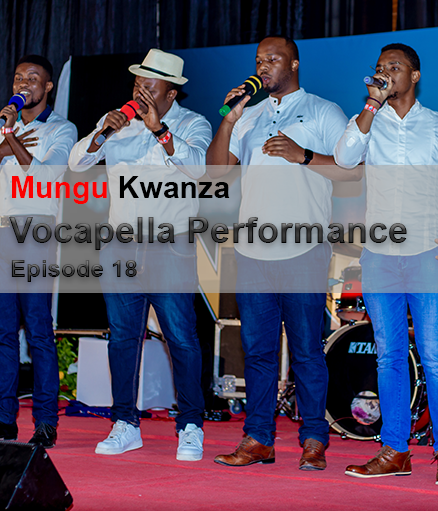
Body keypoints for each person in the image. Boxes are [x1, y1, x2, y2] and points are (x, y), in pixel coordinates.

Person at [334, 43, 438, 485]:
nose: (385, 72)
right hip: (379, 256)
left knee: (434, 356)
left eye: (394, 67)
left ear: (414, 76)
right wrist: (370, 107)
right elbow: (343, 157)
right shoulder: (367, 122)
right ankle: (395, 450)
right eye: (379, 67)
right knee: (389, 356)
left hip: (428, 254)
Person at [207, 36, 348, 470]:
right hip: (252, 251)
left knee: (306, 351)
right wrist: (229, 120)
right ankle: (258, 439)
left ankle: (314, 439)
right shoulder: (247, 115)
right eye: (258, 60)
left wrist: (303, 156)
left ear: (295, 63)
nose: (263, 66)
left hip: (304, 248)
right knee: (258, 352)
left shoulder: (323, 111)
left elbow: (353, 173)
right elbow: (215, 173)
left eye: (273, 59)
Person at [69, 49, 212, 461]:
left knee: (181, 337)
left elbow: (198, 168)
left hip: (170, 245)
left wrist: (159, 130)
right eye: (137, 85)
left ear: (171, 93)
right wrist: (102, 133)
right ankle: (125, 424)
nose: (140, 93)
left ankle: (190, 426)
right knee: (122, 337)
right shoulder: (116, 121)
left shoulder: (193, 124)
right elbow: (77, 163)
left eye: (150, 88)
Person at [0, 55, 77, 448]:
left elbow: (46, 178)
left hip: (34, 233)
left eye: (32, 78)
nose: (23, 84)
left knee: (38, 330)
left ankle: (46, 421)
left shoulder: (62, 128)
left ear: (48, 86)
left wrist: (10, 142)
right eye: (18, 78)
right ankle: (4, 420)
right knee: (2, 334)